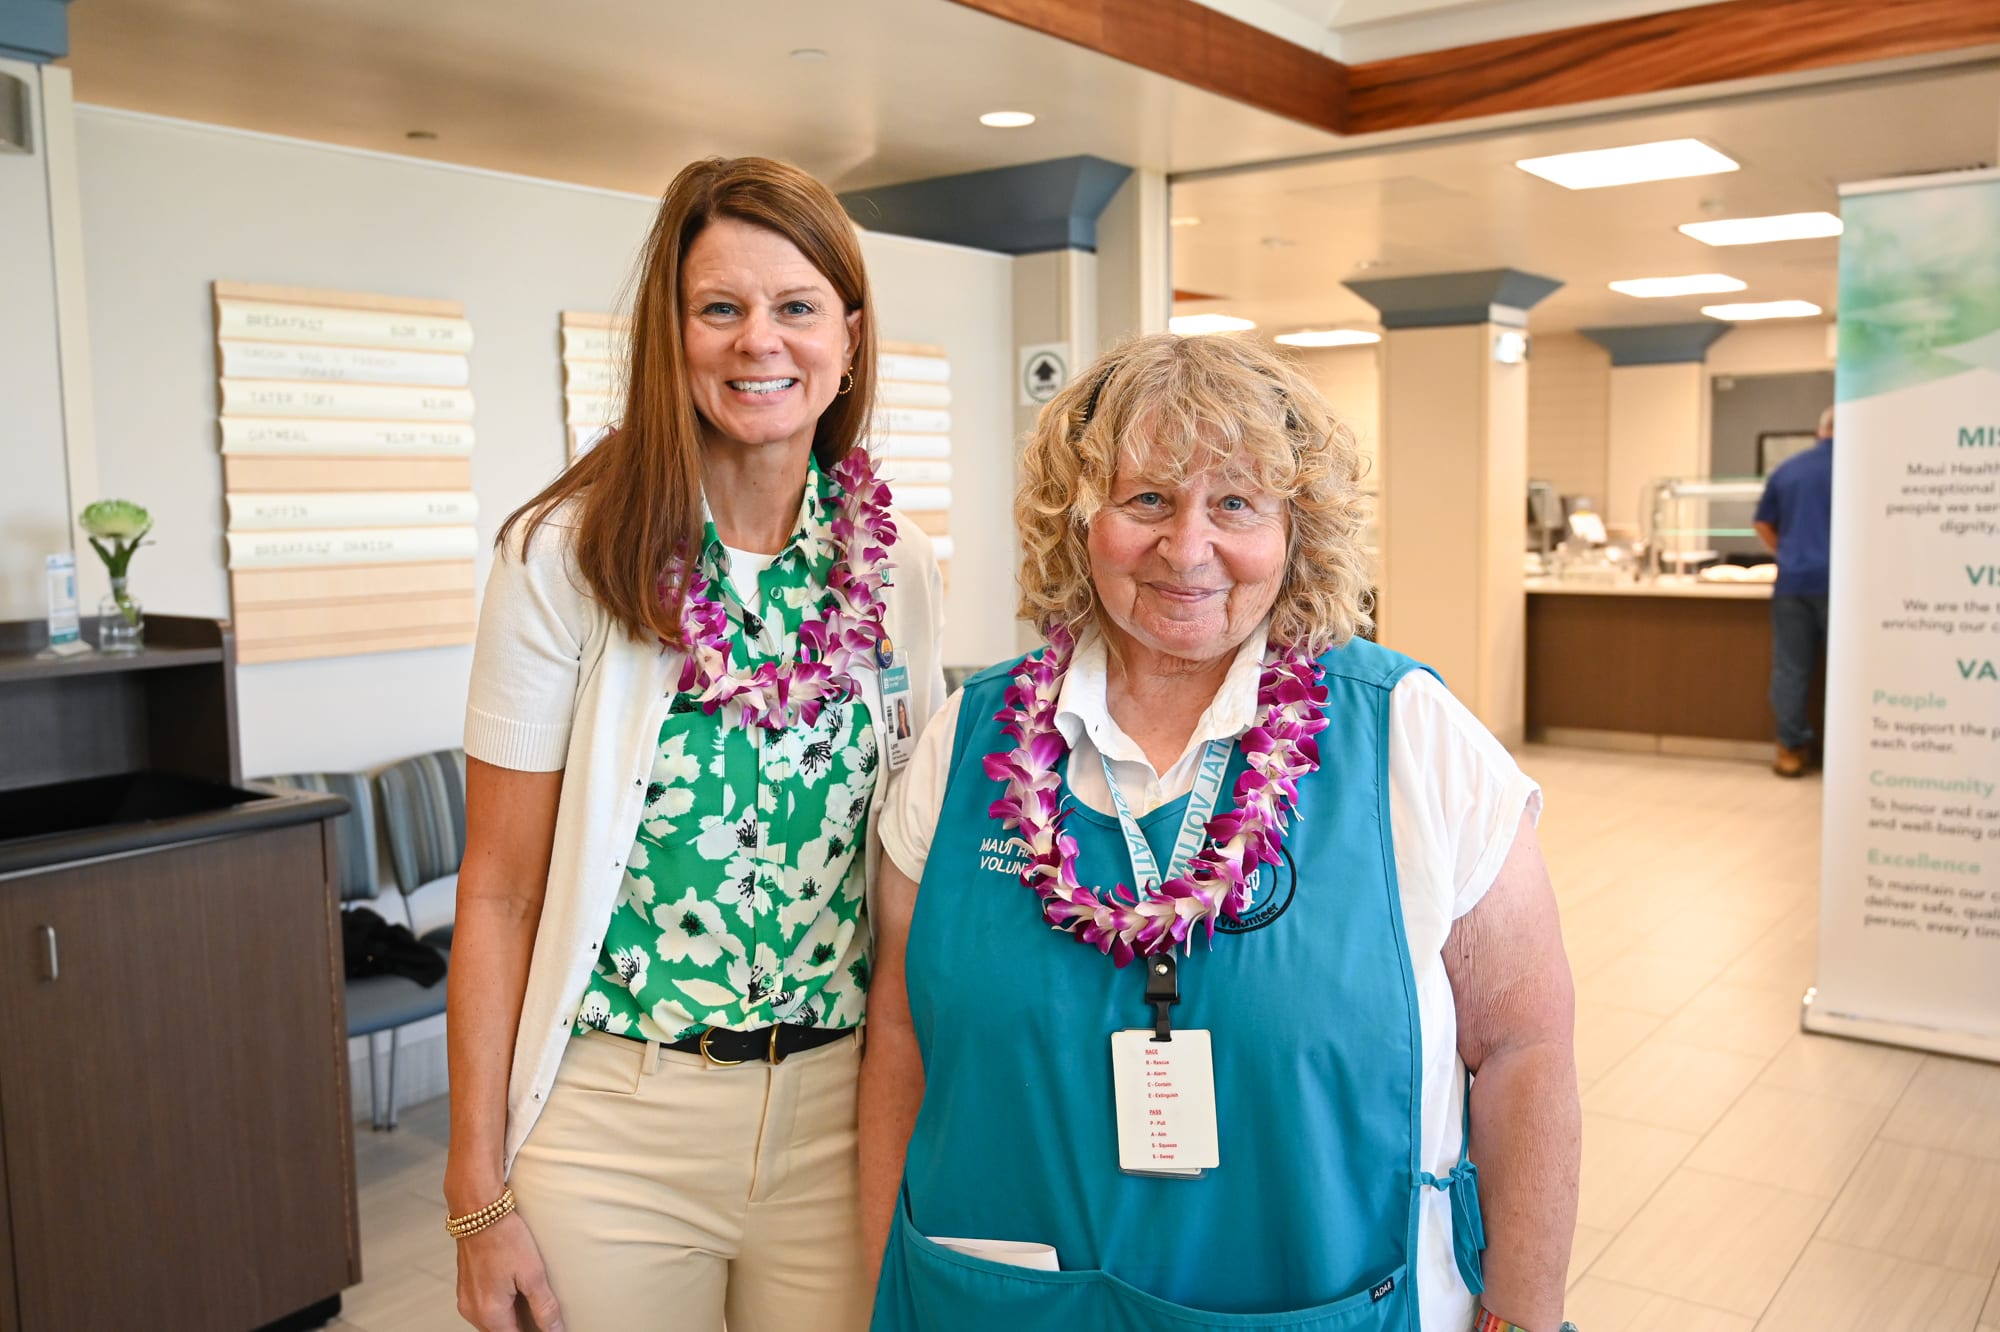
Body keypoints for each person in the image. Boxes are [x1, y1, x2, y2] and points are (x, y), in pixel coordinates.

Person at [858, 333, 1580, 1332]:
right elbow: (898, 1036)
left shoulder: (1408, 736)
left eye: (1234, 503)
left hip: (1318, 1297)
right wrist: (874, 1295)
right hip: (1003, 1298)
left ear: (1296, 527)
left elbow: (1524, 1048)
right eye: (1145, 499)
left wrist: (1530, 1312)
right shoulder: (966, 740)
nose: (1187, 547)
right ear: (1078, 522)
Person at [446, 156, 945, 1332]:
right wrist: (476, 1191)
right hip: (618, 1121)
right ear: (669, 337)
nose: (756, 342)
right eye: (718, 307)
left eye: (795, 307)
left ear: (850, 337)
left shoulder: (898, 567)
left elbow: (902, 865)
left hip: (839, 1114)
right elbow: (501, 891)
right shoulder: (565, 556)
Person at [1755, 406, 1835, 778]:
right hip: (1842, 586)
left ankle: (1789, 748)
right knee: (1846, 671)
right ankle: (1844, 752)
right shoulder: (1861, 467)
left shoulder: (1788, 469)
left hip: (1793, 581)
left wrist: (1787, 552)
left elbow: (1762, 522)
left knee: (1790, 668)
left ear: (1820, 430)